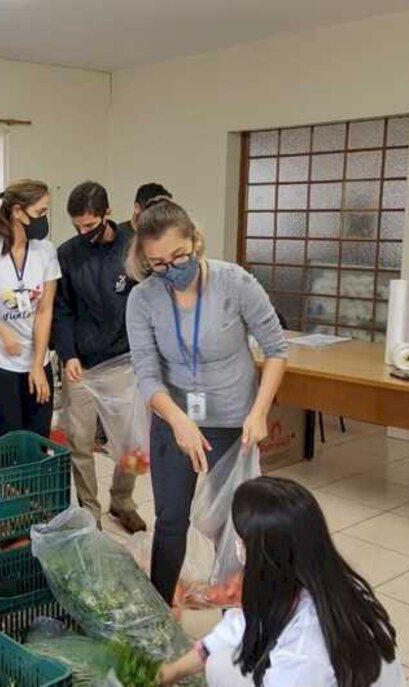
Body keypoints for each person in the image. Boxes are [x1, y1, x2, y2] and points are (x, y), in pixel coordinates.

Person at [125, 197, 287, 602]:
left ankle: (238, 622)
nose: (170, 270)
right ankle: (161, 614)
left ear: (196, 242)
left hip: (234, 421)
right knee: (170, 520)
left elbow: (276, 350)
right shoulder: (143, 299)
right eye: (157, 263)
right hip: (175, 419)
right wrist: (178, 422)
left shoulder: (235, 284)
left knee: (235, 525)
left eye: (178, 256)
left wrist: (259, 412)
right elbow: (146, 374)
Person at [159, 476, 406, 687]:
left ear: (264, 553)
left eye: (242, 538)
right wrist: (170, 673)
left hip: (309, 673)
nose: (237, 545)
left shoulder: (305, 647)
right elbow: (235, 629)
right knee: (221, 662)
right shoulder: (324, 581)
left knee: (224, 667)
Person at [54, 181, 145, 533]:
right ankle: (89, 511)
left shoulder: (132, 248)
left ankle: (123, 501)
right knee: (79, 440)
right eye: (77, 226)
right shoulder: (68, 254)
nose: (83, 233)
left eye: (90, 226)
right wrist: (67, 354)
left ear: (108, 214)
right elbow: (61, 309)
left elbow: (146, 303)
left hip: (126, 360)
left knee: (131, 441)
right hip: (82, 363)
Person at [0, 179, 61, 438]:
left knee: (38, 439)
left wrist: (37, 364)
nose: (44, 219)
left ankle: (34, 481)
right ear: (17, 211)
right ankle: (7, 481)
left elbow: (44, 310)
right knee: (9, 440)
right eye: (40, 213)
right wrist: (0, 331)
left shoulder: (46, 252)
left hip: (35, 356)